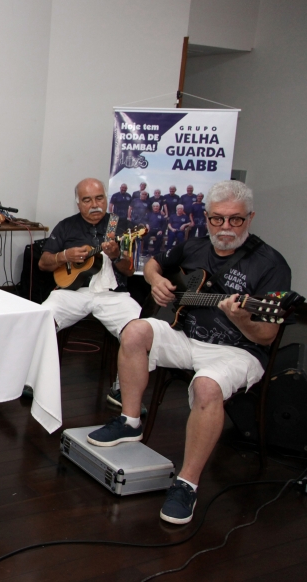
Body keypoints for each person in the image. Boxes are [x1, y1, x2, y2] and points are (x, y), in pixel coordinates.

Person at [87, 180, 291, 526]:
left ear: (250, 218)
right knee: (134, 330)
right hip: (187, 335)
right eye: (217, 219)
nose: (225, 228)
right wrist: (156, 282)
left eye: (236, 220)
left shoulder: (271, 264)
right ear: (206, 217)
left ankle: (187, 484)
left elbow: (268, 335)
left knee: (207, 388)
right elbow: (154, 264)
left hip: (238, 351)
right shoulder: (195, 245)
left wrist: (242, 318)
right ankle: (130, 421)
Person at [38, 179, 140, 338]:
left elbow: (129, 271)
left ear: (106, 199)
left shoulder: (123, 227)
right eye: (87, 200)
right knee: (41, 322)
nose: (94, 204)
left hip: (113, 295)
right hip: (71, 293)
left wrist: (116, 256)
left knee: (139, 331)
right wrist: (64, 256)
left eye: (99, 198)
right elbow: (43, 263)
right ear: (78, 204)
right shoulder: (66, 226)